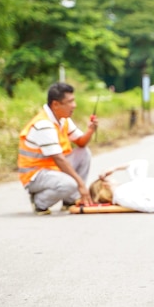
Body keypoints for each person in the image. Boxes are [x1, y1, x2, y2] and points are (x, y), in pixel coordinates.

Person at [18, 82, 97, 215]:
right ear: (56, 104)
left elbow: (81, 143)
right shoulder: (43, 124)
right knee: (71, 184)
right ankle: (39, 202)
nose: (74, 105)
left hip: (53, 170)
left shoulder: (62, 119)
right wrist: (81, 185)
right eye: (70, 102)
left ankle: (69, 200)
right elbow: (59, 159)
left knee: (84, 153)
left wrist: (90, 130)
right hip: (35, 175)